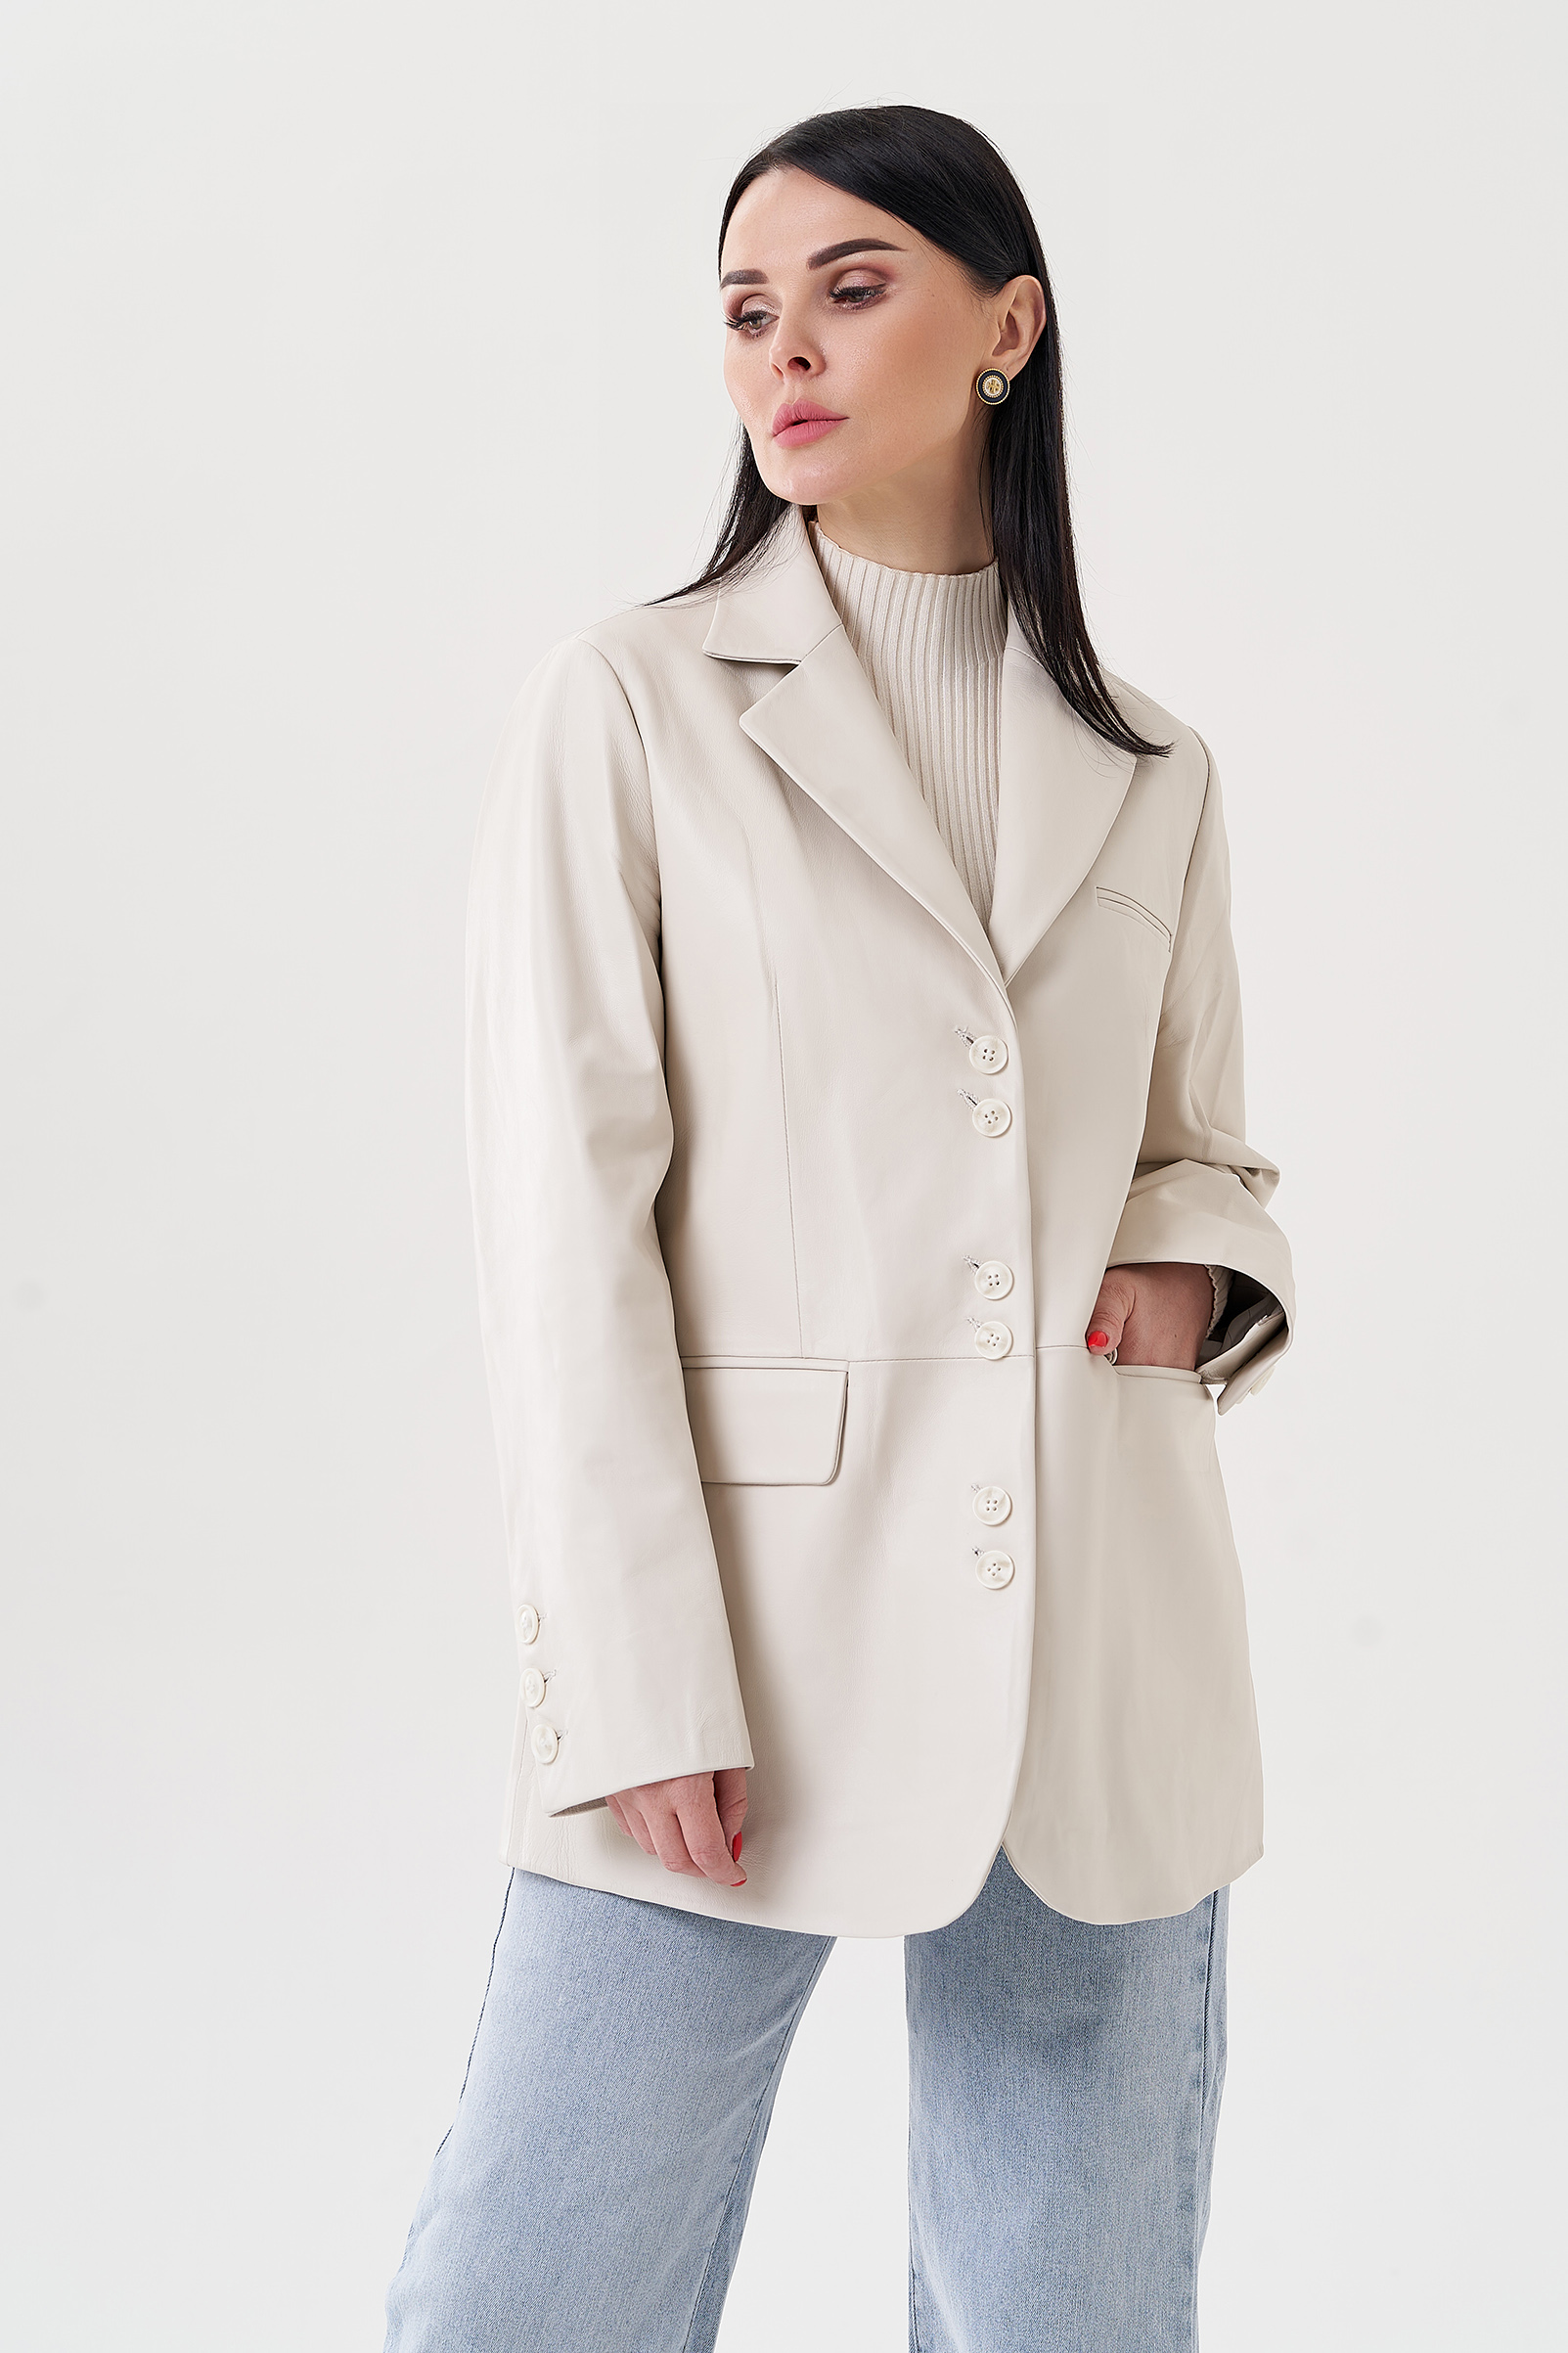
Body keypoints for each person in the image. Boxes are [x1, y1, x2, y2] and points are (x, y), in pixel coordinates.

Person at [383, 103, 1293, 2353]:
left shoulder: (1151, 766)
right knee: (531, 2292)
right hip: (736, 1636)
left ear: (1008, 328)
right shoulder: (632, 705)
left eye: (849, 288)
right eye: (743, 310)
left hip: (1098, 1626)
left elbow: (1200, 1145)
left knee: (1073, 2311)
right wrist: (631, 1672)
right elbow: (563, 1222)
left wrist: (1194, 1267)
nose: (780, 349)